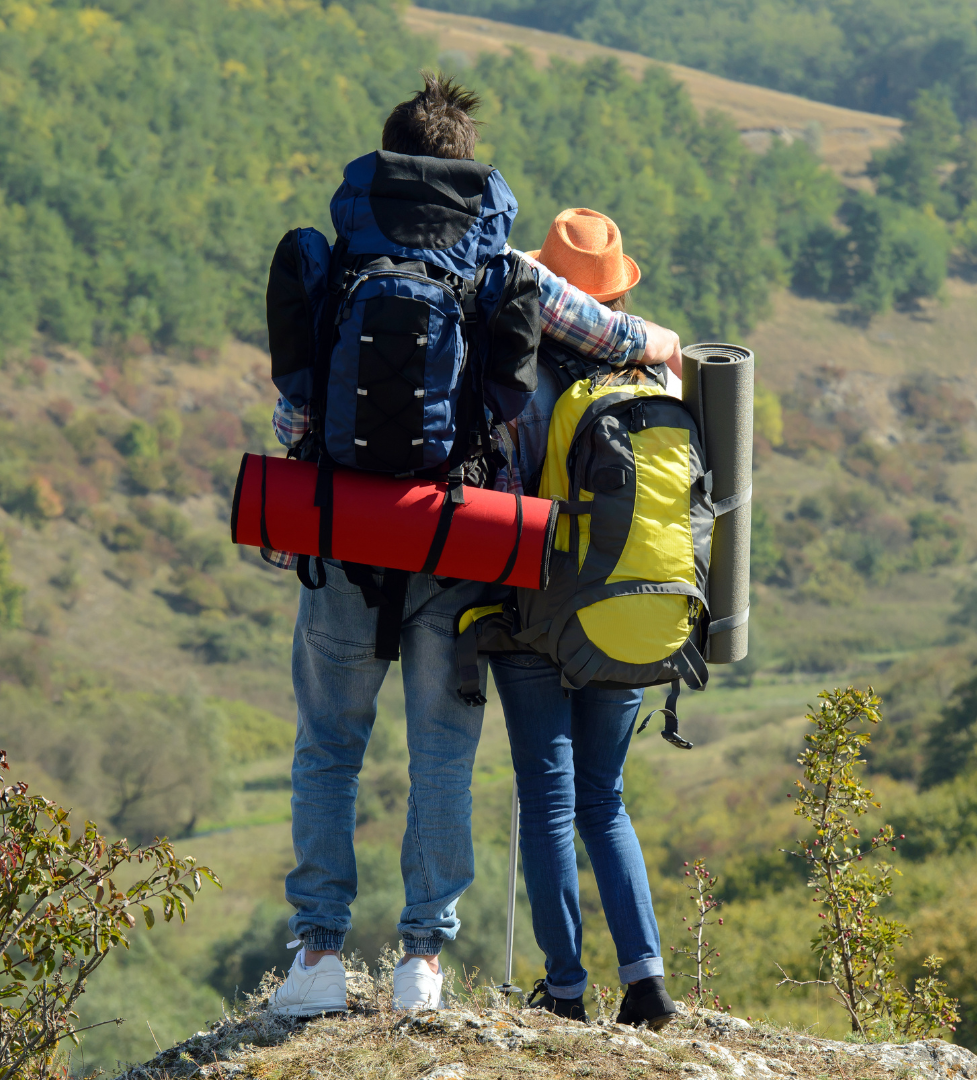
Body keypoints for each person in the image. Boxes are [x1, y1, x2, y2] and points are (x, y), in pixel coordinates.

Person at [264, 76, 682, 1018]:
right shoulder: (503, 271)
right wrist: (668, 340)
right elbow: (615, 333)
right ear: (465, 168)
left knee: (328, 750)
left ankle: (319, 956)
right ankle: (422, 961)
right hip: (455, 543)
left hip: (342, 539)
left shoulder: (336, 261)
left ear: (386, 165)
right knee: (441, 757)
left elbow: (295, 405)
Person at [490, 207, 680, 1030]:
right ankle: (647, 979)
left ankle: (564, 985)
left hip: (536, 612)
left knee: (550, 799)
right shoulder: (657, 383)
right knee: (607, 798)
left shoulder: (519, 374)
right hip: (633, 612)